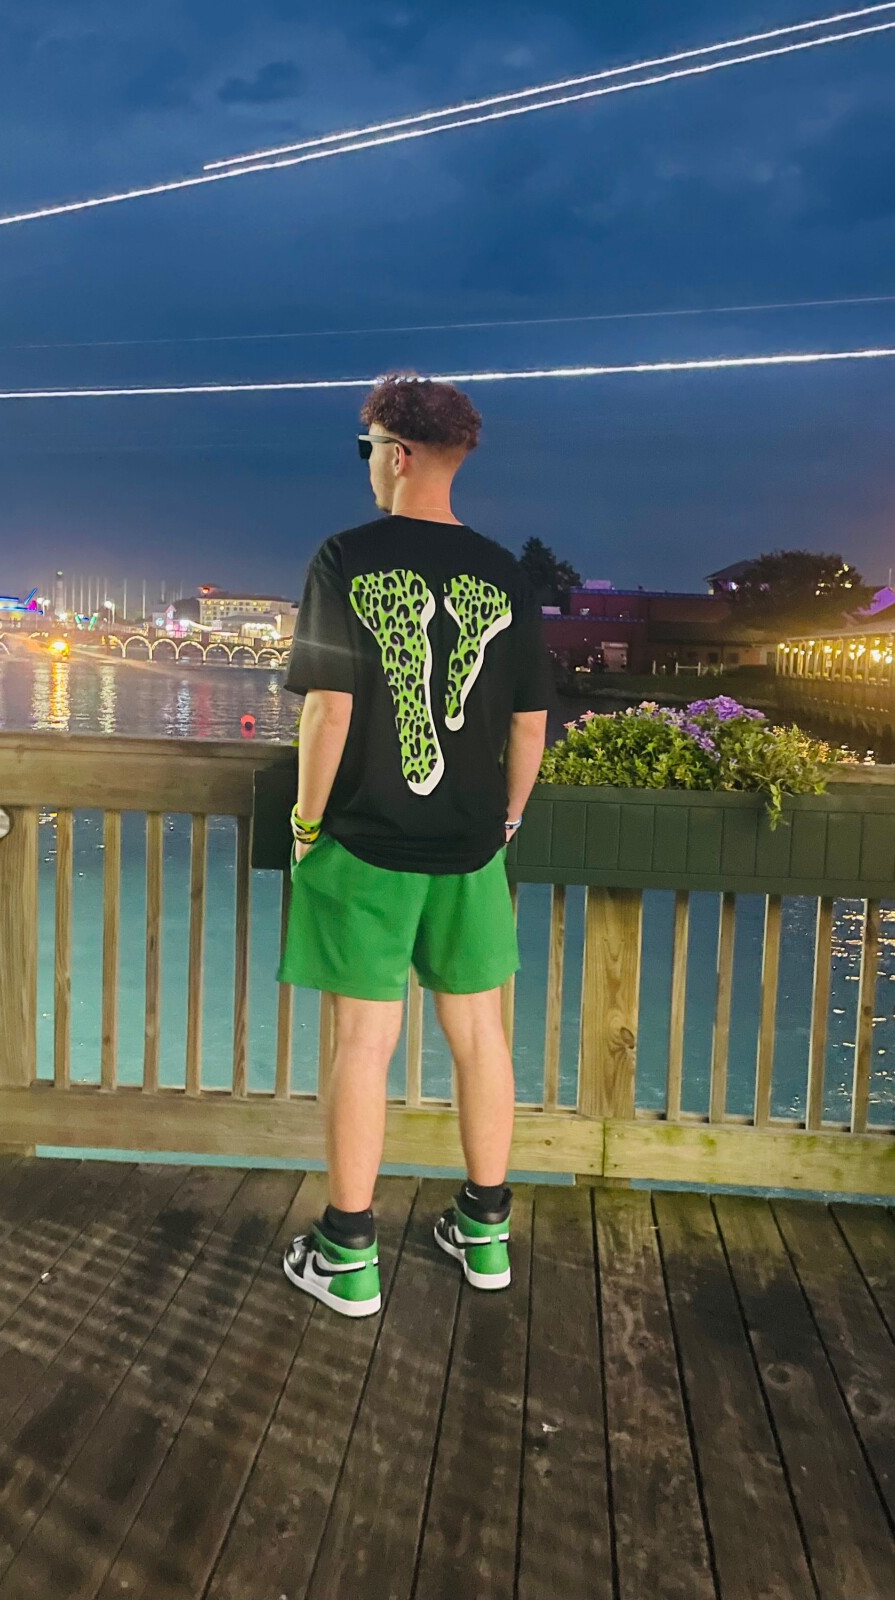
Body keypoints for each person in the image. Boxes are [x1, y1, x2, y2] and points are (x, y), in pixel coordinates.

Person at [279, 374, 554, 1317]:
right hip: (472, 849)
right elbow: (529, 726)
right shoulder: (505, 573)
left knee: (364, 1044)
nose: (367, 465)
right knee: (480, 1038)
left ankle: (349, 1255)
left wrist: (306, 823)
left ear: (396, 455)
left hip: (367, 842)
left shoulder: (344, 557)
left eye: (367, 449)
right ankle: (485, 1232)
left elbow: (329, 709)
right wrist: (504, 822)